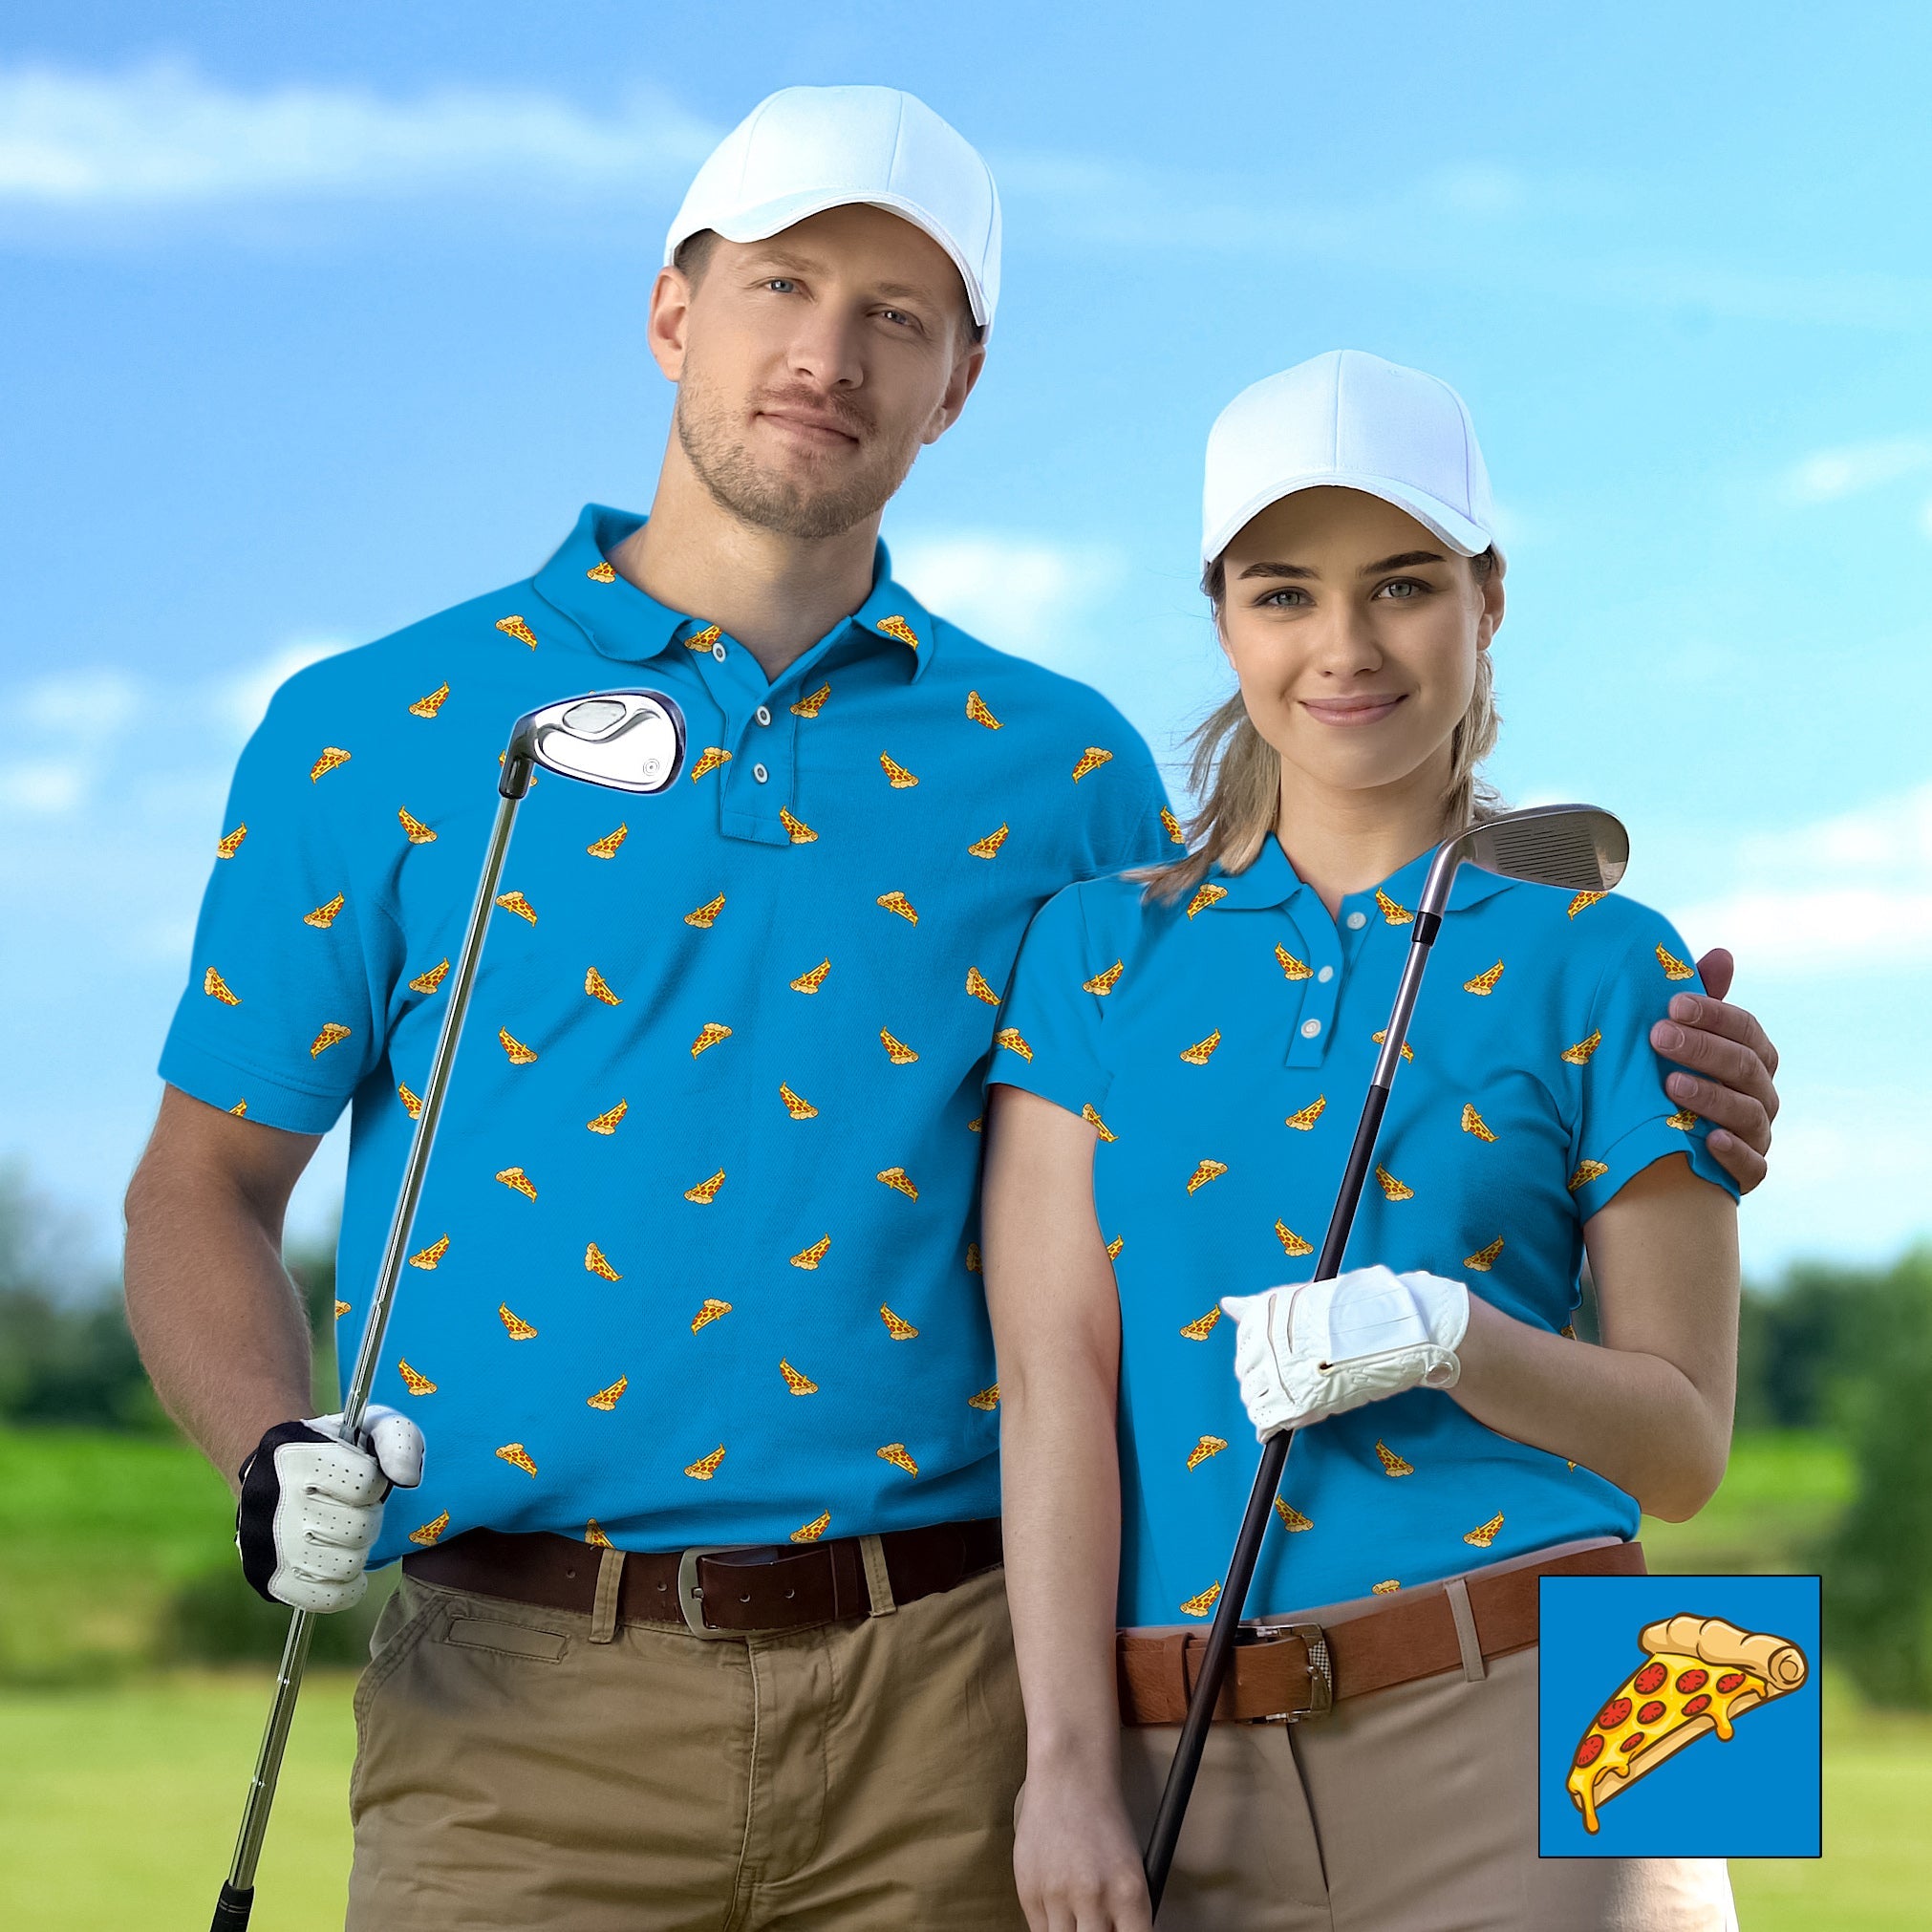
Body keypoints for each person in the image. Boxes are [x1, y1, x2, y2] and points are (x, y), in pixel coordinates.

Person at [118, 81, 1779, 1928]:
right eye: (781, 286)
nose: (827, 354)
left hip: (961, 1691)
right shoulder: (374, 727)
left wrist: (1616, 1007)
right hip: (516, 1700)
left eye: (894, 316)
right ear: (673, 308)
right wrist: (270, 1451)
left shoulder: (1054, 765)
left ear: (960, 378)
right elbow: (199, 1186)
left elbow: (1300, 959)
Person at [982, 351, 1753, 1930]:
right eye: (1283, 594)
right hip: (1181, 1745)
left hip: (1595, 1692)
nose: (1342, 647)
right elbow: (1054, 1376)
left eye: (1400, 585)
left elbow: (1682, 1455)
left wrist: (1447, 1334)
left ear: (1485, 600)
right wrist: (1061, 1760)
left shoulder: (1616, 957)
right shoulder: (1087, 953)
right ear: (1220, 618)